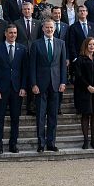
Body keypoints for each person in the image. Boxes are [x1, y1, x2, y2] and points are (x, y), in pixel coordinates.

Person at [29, 19, 67, 152]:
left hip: (56, 84)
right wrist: (33, 83)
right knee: (40, 115)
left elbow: (63, 65)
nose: (49, 30)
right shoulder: (36, 44)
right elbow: (32, 66)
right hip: (40, 84)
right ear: (43, 29)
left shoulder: (61, 43)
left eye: (51, 27)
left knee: (53, 115)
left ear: (54, 29)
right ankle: (41, 143)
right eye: (47, 27)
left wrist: (63, 82)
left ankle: (51, 142)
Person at [0, 24, 27, 154]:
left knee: (15, 118)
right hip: (1, 89)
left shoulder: (22, 49)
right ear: (5, 33)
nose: (13, 35)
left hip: (17, 89)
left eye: (15, 33)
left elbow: (24, 70)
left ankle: (13, 144)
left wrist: (23, 87)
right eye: (10, 33)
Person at [72, 37, 94, 149]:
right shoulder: (80, 60)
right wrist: (88, 86)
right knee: (85, 115)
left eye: (93, 44)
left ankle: (93, 141)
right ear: (85, 46)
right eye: (90, 44)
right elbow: (78, 76)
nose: (92, 46)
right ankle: (86, 141)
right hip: (84, 91)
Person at [50, 6, 69, 114]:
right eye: (55, 13)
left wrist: (67, 57)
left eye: (59, 13)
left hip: (62, 58)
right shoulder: (48, 26)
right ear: (52, 14)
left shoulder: (66, 26)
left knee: (61, 82)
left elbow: (69, 42)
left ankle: (58, 107)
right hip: (51, 58)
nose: (57, 15)